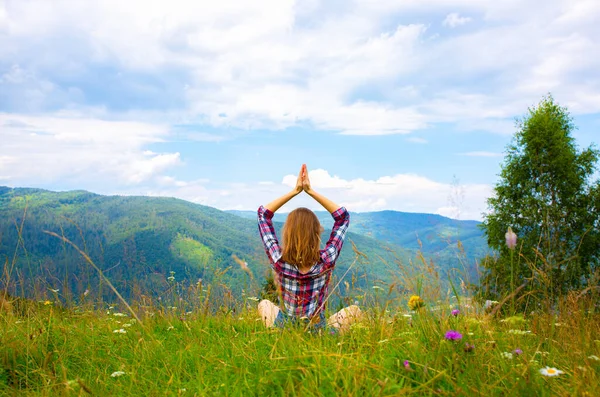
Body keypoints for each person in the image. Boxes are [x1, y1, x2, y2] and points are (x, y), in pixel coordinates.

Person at [257, 164, 362, 333]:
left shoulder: (278, 259)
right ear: (316, 233)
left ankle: (278, 334)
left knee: (264, 304)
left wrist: (295, 190)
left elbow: (263, 214)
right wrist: (310, 191)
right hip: (317, 331)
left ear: (288, 233)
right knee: (355, 311)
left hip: (286, 328)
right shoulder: (326, 260)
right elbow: (342, 218)